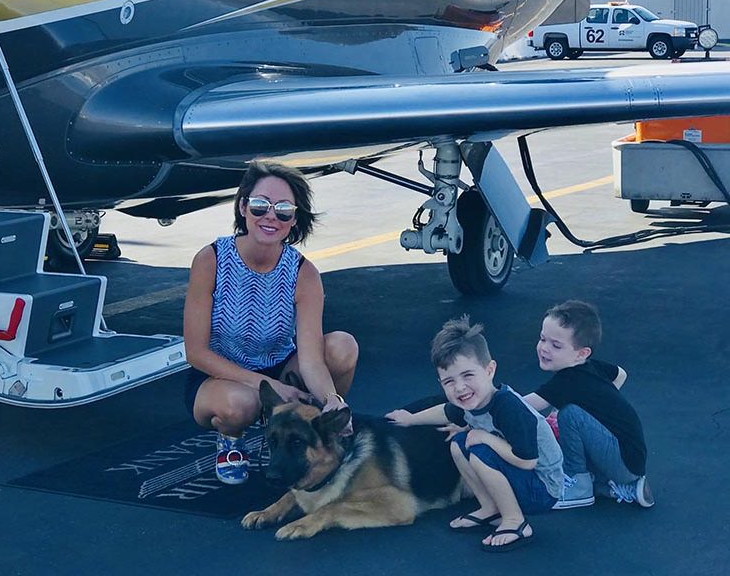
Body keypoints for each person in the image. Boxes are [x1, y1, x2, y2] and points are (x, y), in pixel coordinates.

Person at [183, 161, 358, 485]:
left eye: (283, 210)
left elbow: (310, 359)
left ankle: (314, 431)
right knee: (240, 404)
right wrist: (266, 387)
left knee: (342, 346)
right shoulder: (211, 260)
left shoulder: (303, 273)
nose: (270, 217)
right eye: (261, 205)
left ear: (294, 219)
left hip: (280, 368)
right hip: (220, 375)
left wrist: (333, 399)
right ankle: (231, 439)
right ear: (243, 206)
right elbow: (195, 352)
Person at [386, 316, 563, 552]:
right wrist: (410, 419)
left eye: (468, 375)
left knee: (480, 449)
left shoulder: (508, 407)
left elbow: (528, 460)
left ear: (489, 370)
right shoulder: (472, 402)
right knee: (458, 443)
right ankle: (490, 509)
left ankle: (515, 521)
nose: (460, 387)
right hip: (522, 477)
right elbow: (446, 412)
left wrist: (485, 437)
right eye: (449, 381)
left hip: (542, 488)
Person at [524, 300, 654, 509]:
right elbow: (620, 374)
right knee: (570, 417)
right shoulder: (591, 367)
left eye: (556, 345)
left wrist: (482, 405)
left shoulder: (568, 381)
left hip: (623, 460)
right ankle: (611, 485)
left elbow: (523, 407)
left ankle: (579, 488)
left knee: (569, 415)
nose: (544, 349)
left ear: (581, 353)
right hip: (630, 457)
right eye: (542, 339)